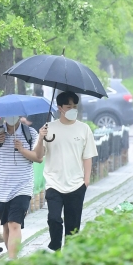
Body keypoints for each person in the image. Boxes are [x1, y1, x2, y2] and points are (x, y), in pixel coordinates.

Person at [0, 115, 45, 260]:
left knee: (15, 224)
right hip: (0, 187)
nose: (11, 117)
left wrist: (22, 149)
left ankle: (13, 261)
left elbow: (38, 158)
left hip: (22, 186)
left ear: (20, 115)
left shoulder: (29, 132)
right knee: (6, 225)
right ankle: (11, 256)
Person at [37, 92, 97, 251]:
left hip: (76, 184)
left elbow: (88, 156)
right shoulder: (49, 128)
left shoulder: (84, 129)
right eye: (69, 106)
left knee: (73, 225)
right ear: (60, 108)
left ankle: (70, 254)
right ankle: (55, 246)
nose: (73, 109)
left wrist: (86, 180)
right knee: (54, 218)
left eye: (75, 106)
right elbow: (38, 156)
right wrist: (40, 138)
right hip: (54, 183)